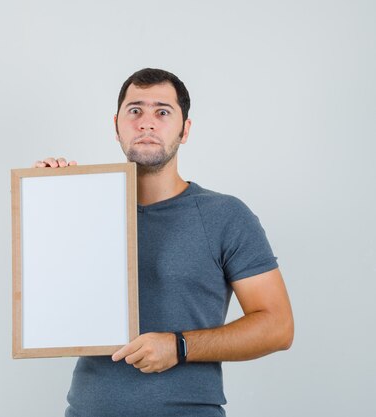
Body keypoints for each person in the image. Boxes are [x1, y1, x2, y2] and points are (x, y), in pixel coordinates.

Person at [33, 68, 294, 417]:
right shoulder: (86, 210)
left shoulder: (225, 216)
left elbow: (278, 326)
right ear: (116, 125)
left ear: (185, 129)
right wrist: (48, 199)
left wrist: (179, 346)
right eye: (135, 110)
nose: (146, 123)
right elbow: (50, 305)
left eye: (162, 112)